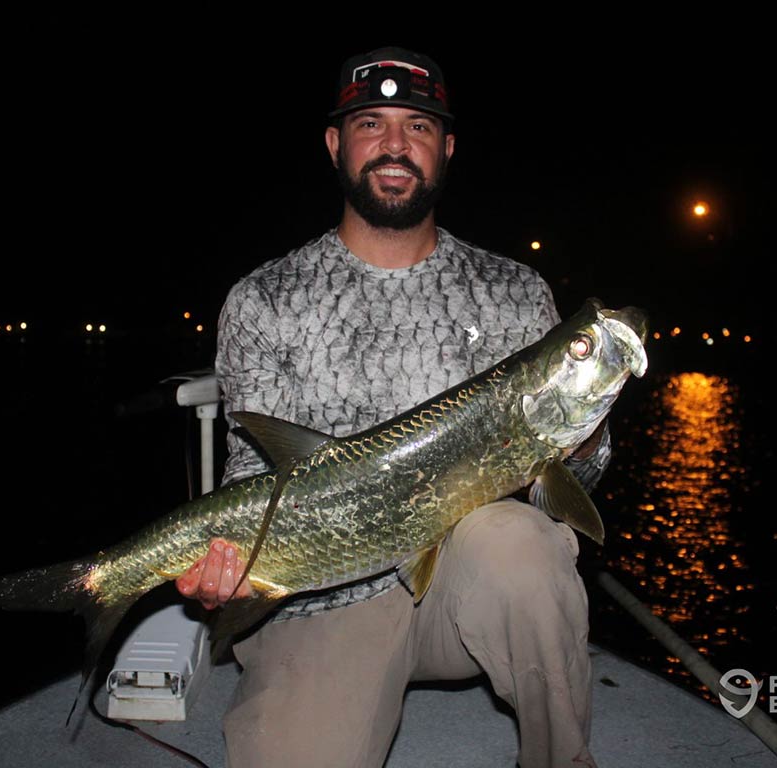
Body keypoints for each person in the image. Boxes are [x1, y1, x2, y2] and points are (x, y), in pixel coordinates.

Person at [176, 47, 609, 768]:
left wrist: (586, 441)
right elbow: (254, 471)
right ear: (335, 144)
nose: (395, 145)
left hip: (468, 584)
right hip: (320, 592)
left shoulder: (514, 293)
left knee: (524, 546)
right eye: (371, 123)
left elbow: (573, 488)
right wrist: (231, 568)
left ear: (446, 148)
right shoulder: (267, 300)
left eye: (417, 126)